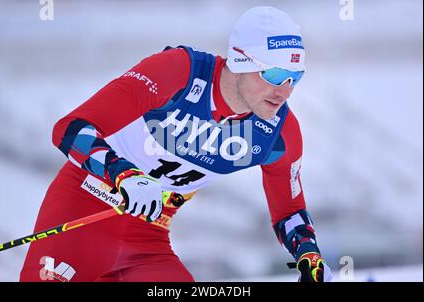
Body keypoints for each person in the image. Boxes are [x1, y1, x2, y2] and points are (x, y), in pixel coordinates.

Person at [20, 6, 332, 282]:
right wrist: (124, 174)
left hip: (147, 240)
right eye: (275, 73)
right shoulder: (177, 72)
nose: (284, 91)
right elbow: (71, 129)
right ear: (240, 60)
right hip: (82, 214)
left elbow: (289, 212)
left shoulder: (278, 131)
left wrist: (309, 256)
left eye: (295, 76)